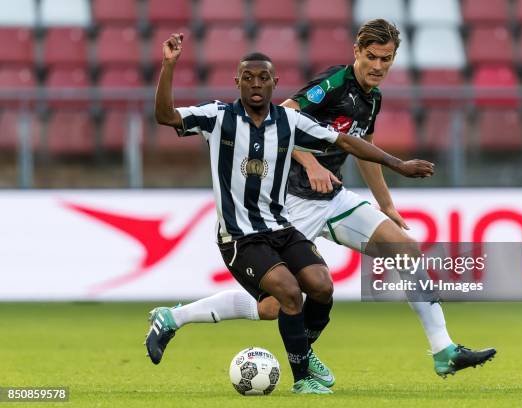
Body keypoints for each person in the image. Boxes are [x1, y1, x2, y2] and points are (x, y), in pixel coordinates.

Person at [146, 32, 435, 394]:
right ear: (236, 81)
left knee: (321, 287)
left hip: (280, 227)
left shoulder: (288, 122)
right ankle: (302, 381)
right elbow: (165, 116)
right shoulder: (218, 117)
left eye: (263, 78)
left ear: (275, 83)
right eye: (247, 77)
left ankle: (301, 350)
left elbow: (345, 141)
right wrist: (169, 65)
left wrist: (399, 165)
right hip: (239, 236)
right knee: (287, 293)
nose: (255, 84)